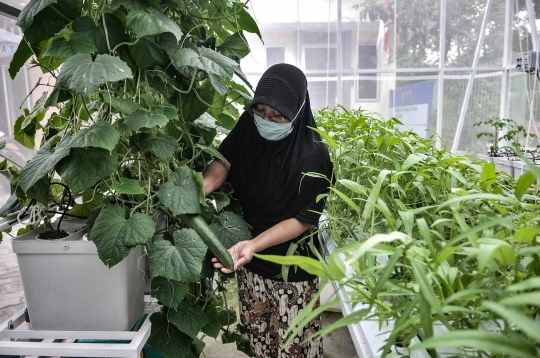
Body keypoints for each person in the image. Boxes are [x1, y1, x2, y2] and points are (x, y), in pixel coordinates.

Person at [203, 63, 333, 358]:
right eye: (260, 111)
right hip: (249, 261)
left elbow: (302, 220)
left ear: (298, 112)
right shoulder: (249, 125)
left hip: (292, 271)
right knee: (260, 339)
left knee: (294, 347)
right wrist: (200, 188)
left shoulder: (315, 155)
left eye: (278, 116)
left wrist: (254, 244)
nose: (266, 120)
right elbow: (224, 160)